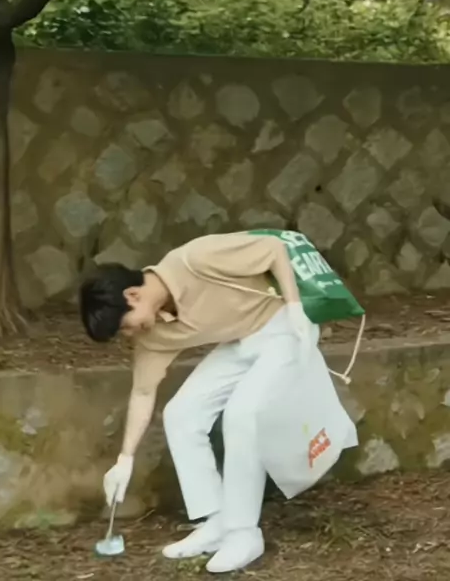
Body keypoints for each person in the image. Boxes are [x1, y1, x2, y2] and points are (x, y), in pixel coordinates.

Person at [78, 231, 334, 573]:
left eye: (125, 326)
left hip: (284, 327)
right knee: (180, 414)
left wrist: (294, 306)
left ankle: (244, 534)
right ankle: (217, 522)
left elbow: (273, 249)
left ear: (133, 295)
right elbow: (142, 392)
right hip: (242, 341)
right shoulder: (153, 333)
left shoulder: (194, 259)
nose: (130, 334)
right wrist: (125, 459)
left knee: (241, 414)